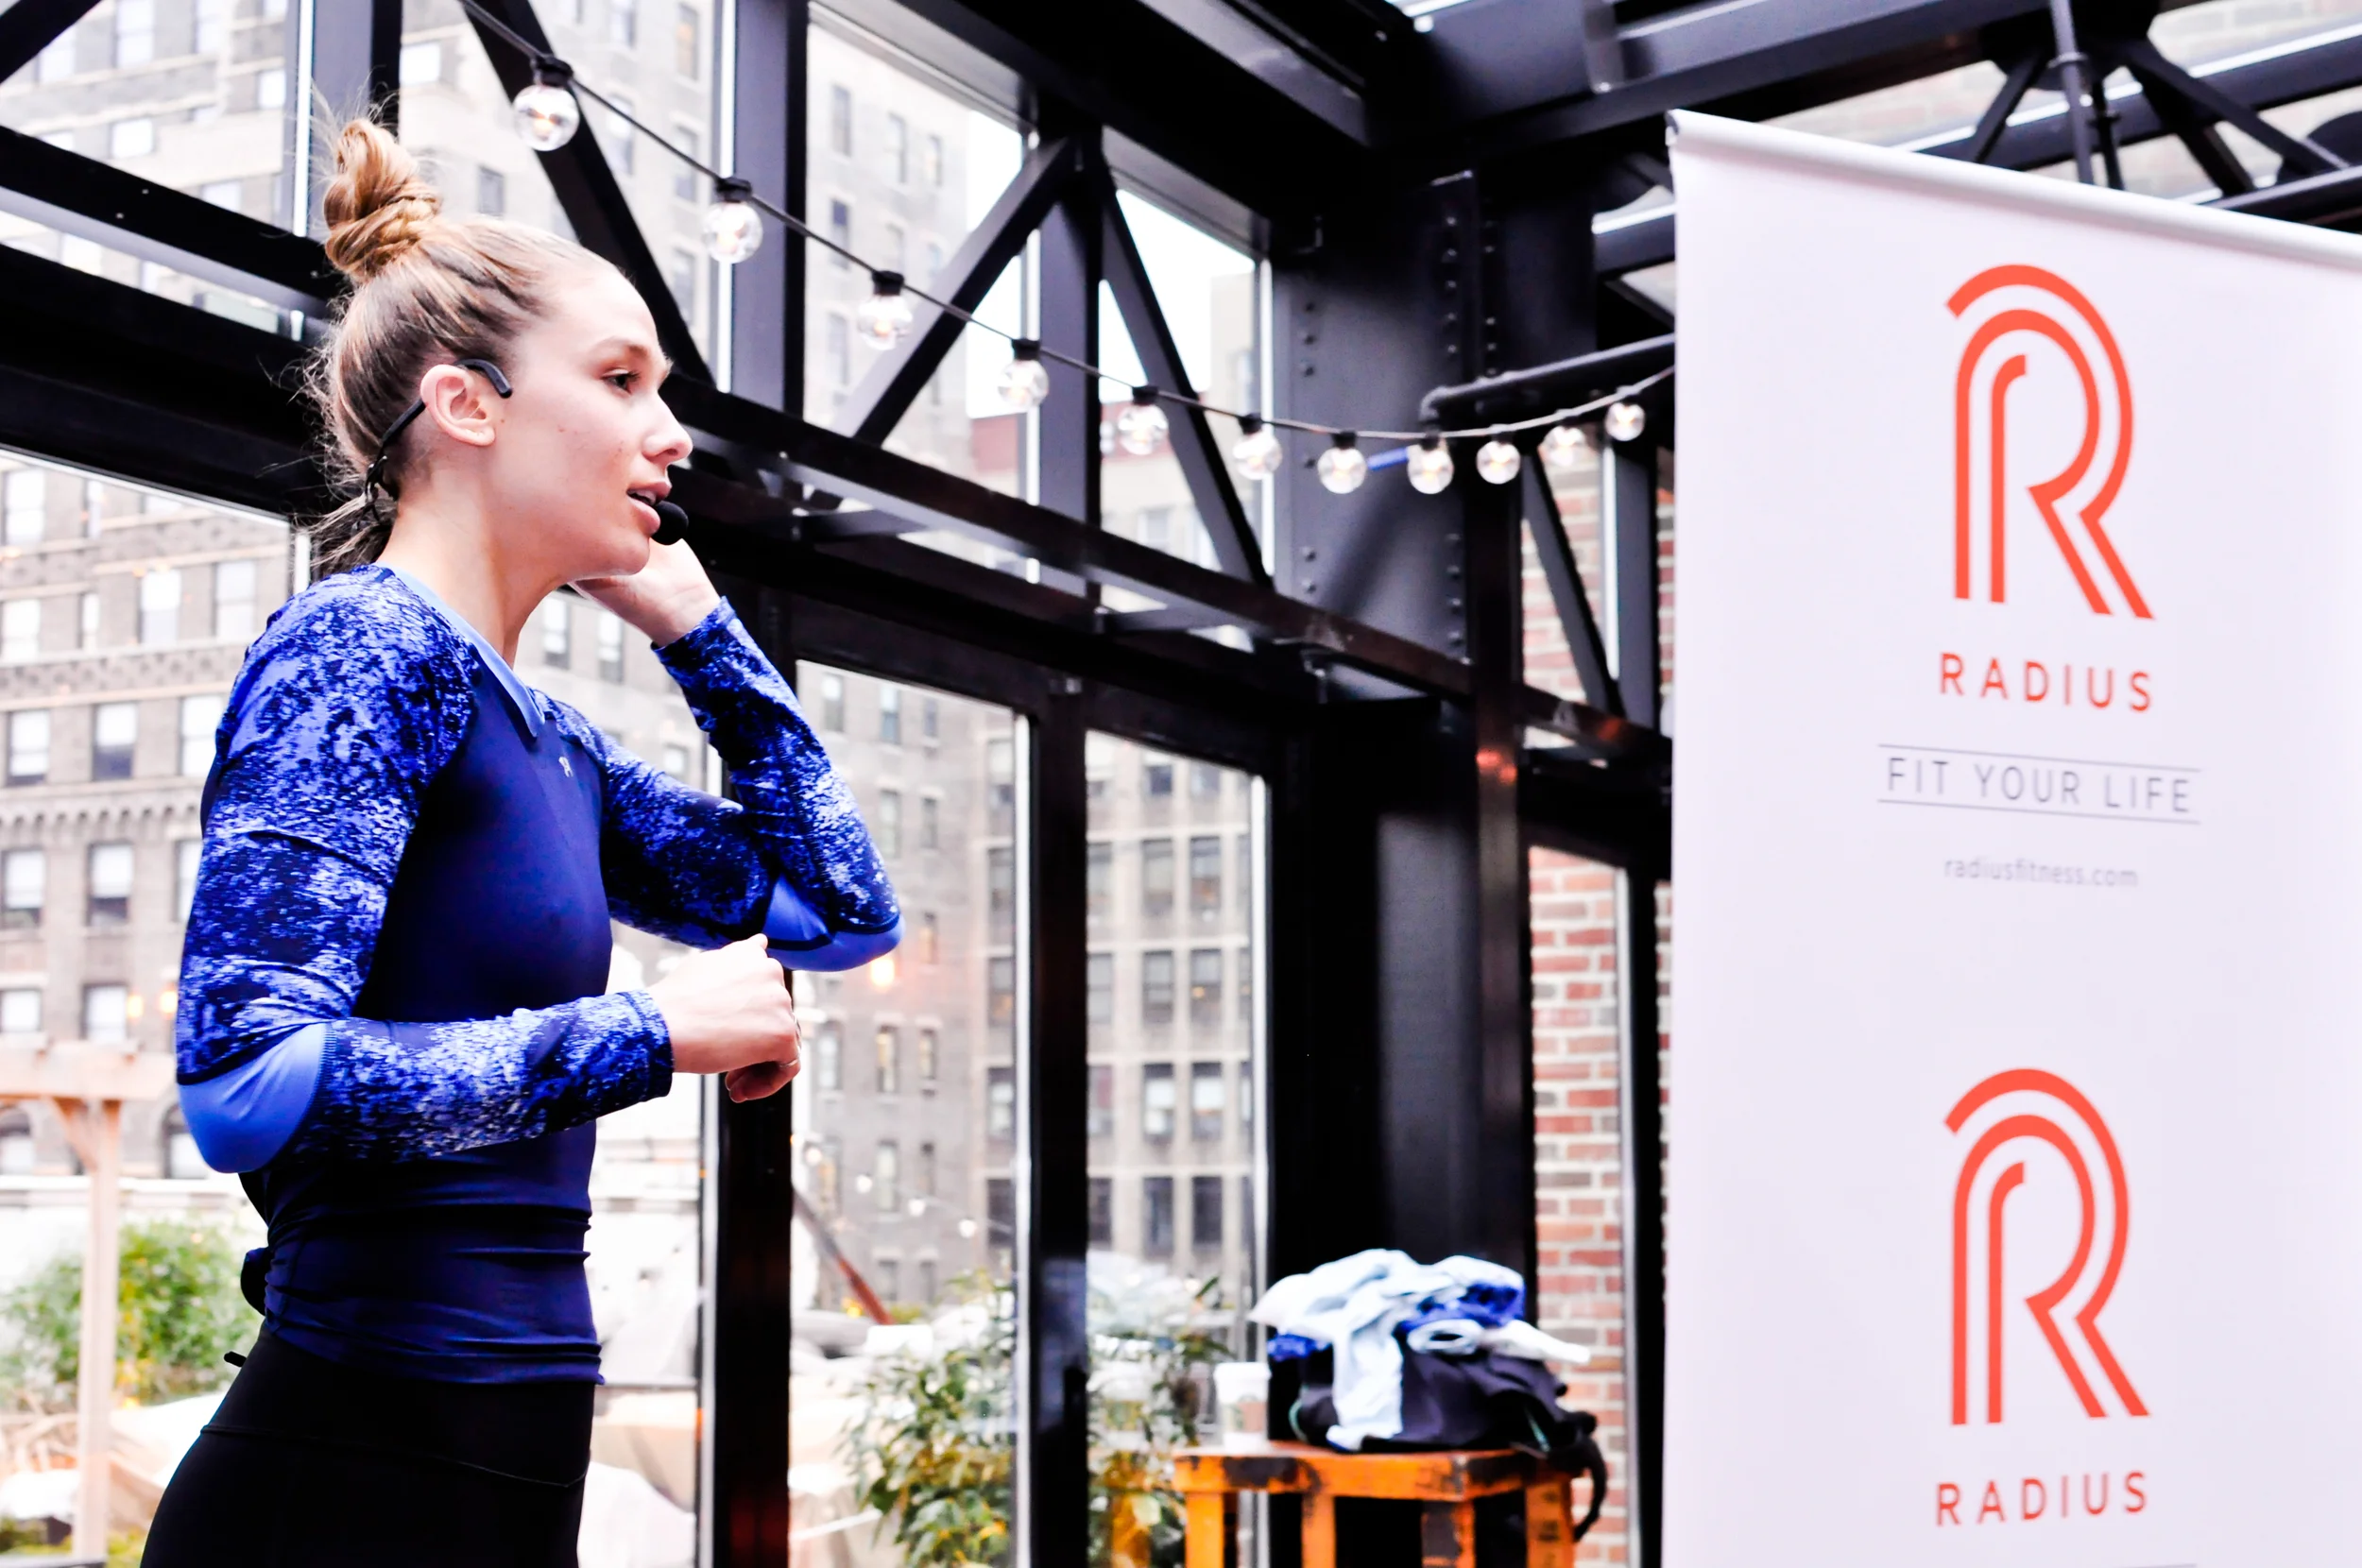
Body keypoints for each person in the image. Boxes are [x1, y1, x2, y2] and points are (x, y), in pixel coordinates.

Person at [143, 118, 899, 1567]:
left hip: (511, 1452)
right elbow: (246, 1086)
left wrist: (704, 634)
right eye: (620, 381)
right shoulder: (358, 651)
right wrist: (651, 1034)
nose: (670, 433)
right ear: (466, 406)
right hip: (350, 1463)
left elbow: (840, 907)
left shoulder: (550, 739)